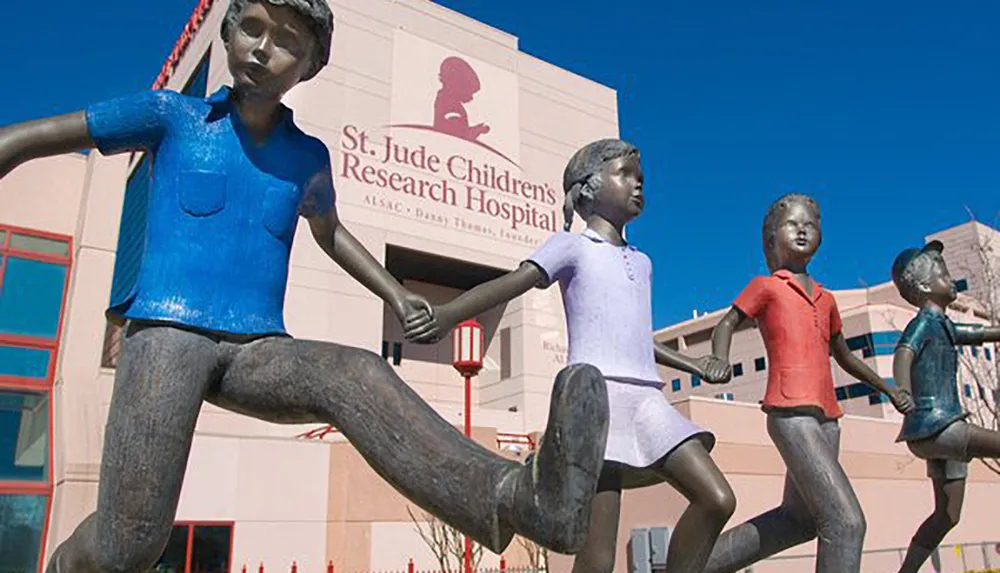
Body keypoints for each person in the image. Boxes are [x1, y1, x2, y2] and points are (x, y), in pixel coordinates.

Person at [0, 2, 610, 570]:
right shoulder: (171, 117)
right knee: (129, 545)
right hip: (165, 334)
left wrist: (395, 296)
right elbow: (27, 138)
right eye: (253, 29)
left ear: (311, 66)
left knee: (355, 373)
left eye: (287, 42)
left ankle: (522, 499)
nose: (264, 50)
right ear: (227, 31)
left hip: (256, 348)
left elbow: (332, 233)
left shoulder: (307, 157)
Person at [407, 139, 736, 573]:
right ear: (586, 188)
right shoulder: (570, 247)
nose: (638, 185)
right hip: (594, 403)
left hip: (648, 402)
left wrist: (695, 365)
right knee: (598, 555)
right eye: (625, 175)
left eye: (641, 179)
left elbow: (639, 338)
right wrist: (449, 314)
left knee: (716, 498)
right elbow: (511, 284)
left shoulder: (644, 262)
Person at [703, 193, 913, 573]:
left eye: (810, 225)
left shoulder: (827, 300)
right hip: (790, 412)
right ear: (770, 240)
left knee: (798, 521)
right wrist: (720, 358)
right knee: (846, 522)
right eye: (791, 224)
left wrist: (889, 389)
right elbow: (727, 324)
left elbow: (845, 356)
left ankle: (693, 566)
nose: (802, 230)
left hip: (828, 418)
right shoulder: (765, 287)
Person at [890, 241, 1000, 573]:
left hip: (941, 433)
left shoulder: (946, 325)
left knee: (948, 515)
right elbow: (903, 353)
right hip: (938, 425)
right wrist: (903, 391)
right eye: (942, 272)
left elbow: (980, 332)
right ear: (924, 287)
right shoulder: (923, 323)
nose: (950, 278)